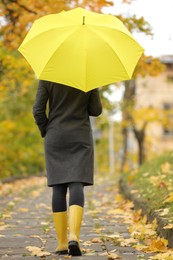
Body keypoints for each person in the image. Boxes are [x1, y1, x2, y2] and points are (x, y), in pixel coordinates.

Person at [32, 80, 102, 256]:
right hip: (80, 136)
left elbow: (38, 111)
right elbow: (96, 110)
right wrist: (94, 88)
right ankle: (74, 236)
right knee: (76, 183)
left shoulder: (47, 77)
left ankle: (62, 243)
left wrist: (46, 130)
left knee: (58, 186)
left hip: (55, 136)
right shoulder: (88, 77)